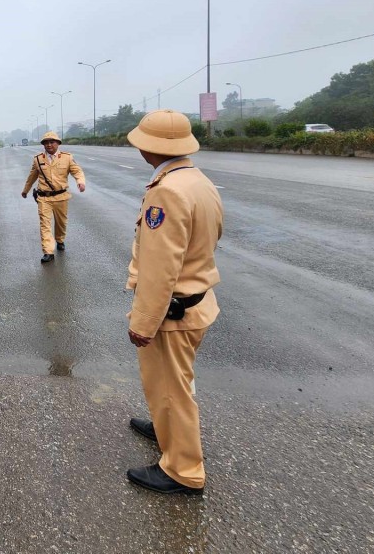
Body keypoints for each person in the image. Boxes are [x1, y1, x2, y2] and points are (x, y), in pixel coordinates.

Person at [123, 109, 223, 495]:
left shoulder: (166, 191)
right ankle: (164, 427)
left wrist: (143, 323)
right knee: (173, 384)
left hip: (173, 312)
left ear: (149, 147)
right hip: (196, 303)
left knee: (172, 389)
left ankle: (183, 469)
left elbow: (159, 268)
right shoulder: (197, 181)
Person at [21, 131, 86, 263]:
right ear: (43, 145)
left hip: (61, 197)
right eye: (46, 143)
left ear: (58, 143)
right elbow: (31, 176)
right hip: (44, 198)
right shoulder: (38, 159)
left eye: (52, 142)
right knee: (44, 224)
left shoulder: (67, 158)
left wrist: (80, 182)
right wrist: (25, 190)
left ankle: (60, 240)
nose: (49, 145)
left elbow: (77, 171)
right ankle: (48, 251)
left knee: (61, 223)